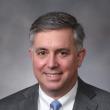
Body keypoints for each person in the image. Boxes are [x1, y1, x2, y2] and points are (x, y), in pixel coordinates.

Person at [0, 11, 110, 110]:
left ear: (79, 57)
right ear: (32, 56)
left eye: (63, 53)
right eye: (42, 53)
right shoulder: (5, 107)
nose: (52, 64)